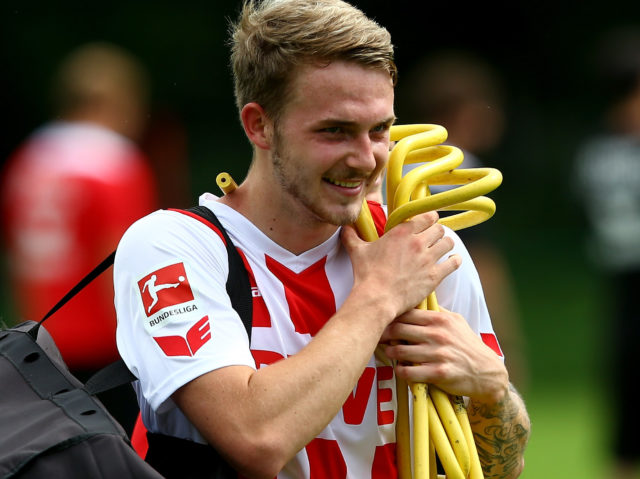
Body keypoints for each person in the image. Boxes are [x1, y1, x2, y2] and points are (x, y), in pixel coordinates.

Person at [114, 1, 530, 478]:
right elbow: (255, 438)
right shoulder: (175, 245)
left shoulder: (423, 248)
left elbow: (501, 468)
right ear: (259, 125)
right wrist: (379, 295)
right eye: (335, 131)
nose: (367, 159)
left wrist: (492, 388)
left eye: (380, 130)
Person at [0, 41, 158, 433]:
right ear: (114, 101)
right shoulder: (113, 163)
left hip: (36, 343)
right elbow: (120, 261)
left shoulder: (29, 159)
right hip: (103, 351)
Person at [390, 49, 529, 391]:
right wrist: (506, 339)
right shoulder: (463, 171)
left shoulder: (394, 166)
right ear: (461, 113)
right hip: (453, 315)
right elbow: (480, 258)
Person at [572, 27, 640, 479]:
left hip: (620, 282)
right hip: (628, 282)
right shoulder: (608, 155)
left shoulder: (592, 153)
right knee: (628, 396)